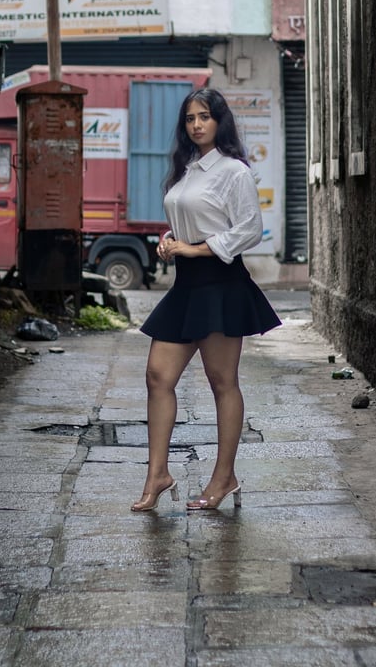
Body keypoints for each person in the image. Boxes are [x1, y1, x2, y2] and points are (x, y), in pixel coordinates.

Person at [130, 88, 281, 513]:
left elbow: (250, 228)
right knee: (158, 376)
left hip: (221, 285)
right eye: (190, 119)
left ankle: (224, 477)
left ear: (220, 121)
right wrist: (169, 240)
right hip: (186, 286)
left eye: (204, 117)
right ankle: (157, 474)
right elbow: (188, 219)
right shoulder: (186, 170)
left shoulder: (233, 171)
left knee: (222, 382)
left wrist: (196, 249)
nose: (196, 124)